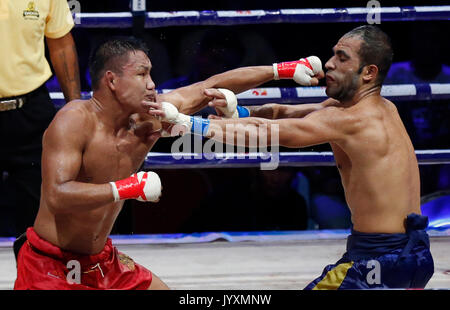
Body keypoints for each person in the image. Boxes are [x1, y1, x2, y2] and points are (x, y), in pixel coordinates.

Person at [13, 37, 320, 290]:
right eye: (141, 74)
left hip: (101, 260)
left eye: (151, 74)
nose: (152, 84)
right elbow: (58, 194)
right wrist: (127, 188)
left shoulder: (149, 116)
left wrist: (281, 69)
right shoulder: (73, 121)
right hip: (50, 264)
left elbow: (210, 85)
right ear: (112, 81)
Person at [162, 25, 435, 289]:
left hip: (376, 261)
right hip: (416, 256)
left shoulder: (350, 120)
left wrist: (188, 124)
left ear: (369, 72)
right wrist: (238, 112)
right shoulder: (382, 108)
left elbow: (267, 134)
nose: (328, 64)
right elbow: (284, 113)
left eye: (342, 58)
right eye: (333, 54)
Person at [0, 0, 81, 240]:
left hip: (31, 112)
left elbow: (61, 44)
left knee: (40, 219)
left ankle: (39, 278)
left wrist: (75, 109)